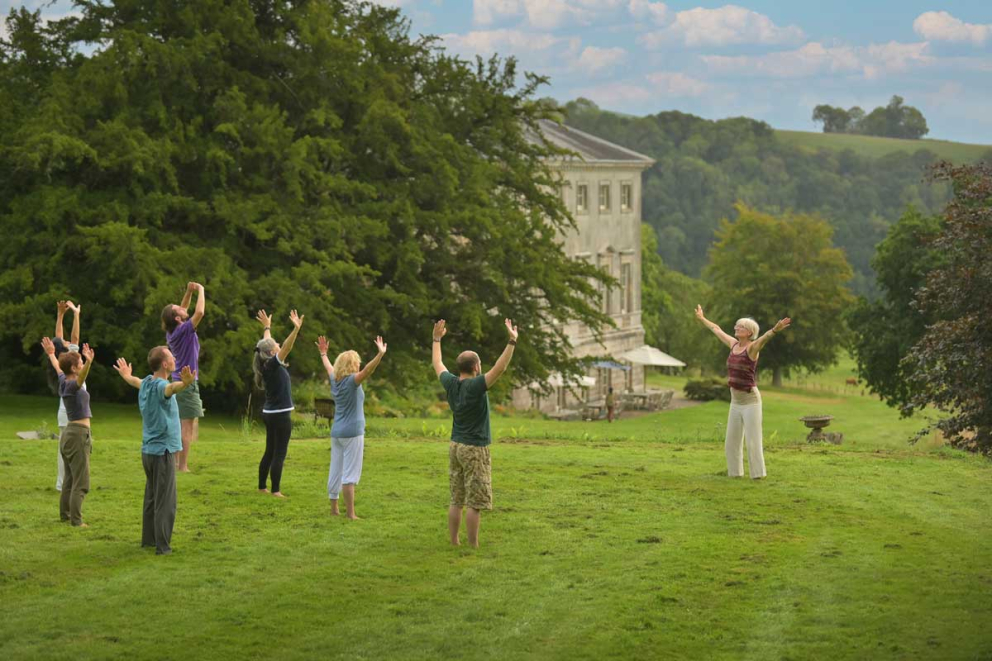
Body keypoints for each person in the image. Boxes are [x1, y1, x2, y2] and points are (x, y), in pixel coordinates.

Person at [432, 318, 518, 548]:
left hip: (456, 446)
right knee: (474, 502)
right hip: (475, 448)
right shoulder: (477, 385)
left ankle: (454, 541)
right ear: (477, 367)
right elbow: (500, 368)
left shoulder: (451, 383)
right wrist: (512, 340)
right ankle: (473, 545)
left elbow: (437, 362)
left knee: (456, 498)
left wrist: (436, 339)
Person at [113, 349, 195, 555]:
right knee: (165, 501)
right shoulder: (160, 386)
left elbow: (134, 381)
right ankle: (163, 546)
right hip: (163, 452)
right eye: (171, 357)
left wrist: (125, 376)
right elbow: (171, 389)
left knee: (151, 496)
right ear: (165, 365)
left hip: (148, 452)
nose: (175, 358)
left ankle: (148, 540)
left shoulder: (147, 382)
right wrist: (184, 384)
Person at [694, 305, 791, 479]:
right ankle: (735, 474)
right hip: (735, 402)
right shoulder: (733, 344)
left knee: (753, 441)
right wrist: (702, 318)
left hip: (751, 401)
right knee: (731, 442)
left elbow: (764, 339)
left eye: (741, 327)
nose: (736, 328)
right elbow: (716, 329)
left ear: (749, 332)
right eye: (737, 326)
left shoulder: (752, 349)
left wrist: (774, 330)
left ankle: (758, 475)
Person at [316, 334, 387, 520]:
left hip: (337, 433)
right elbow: (368, 371)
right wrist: (380, 355)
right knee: (349, 474)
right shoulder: (352, 381)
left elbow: (328, 366)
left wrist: (323, 354)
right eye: (357, 363)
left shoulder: (335, 379)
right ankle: (351, 514)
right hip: (352, 433)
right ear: (353, 365)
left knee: (335, 470)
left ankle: (334, 509)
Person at [41, 336, 95, 527]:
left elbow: (58, 367)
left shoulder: (63, 381)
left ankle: (65, 515)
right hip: (78, 434)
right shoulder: (72, 385)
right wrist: (89, 361)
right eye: (79, 362)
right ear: (73, 368)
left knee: (70, 479)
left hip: (68, 434)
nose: (81, 363)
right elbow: (81, 378)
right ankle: (77, 521)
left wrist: (51, 354)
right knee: (81, 481)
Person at [252, 309, 303, 498]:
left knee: (269, 451)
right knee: (279, 453)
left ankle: (262, 487)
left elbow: (266, 343)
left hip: (270, 413)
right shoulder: (273, 364)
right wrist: (295, 330)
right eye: (276, 346)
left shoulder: (265, 362)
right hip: (281, 415)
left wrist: (267, 327)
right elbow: (287, 347)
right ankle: (275, 491)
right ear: (273, 352)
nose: (279, 345)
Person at [161, 282, 205, 472]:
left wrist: (188, 291)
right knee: (186, 427)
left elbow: (184, 309)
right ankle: (182, 466)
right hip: (187, 384)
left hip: (178, 381)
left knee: (180, 426)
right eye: (178, 308)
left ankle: (177, 463)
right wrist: (201, 290)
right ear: (178, 318)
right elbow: (199, 312)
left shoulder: (173, 331)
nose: (182, 306)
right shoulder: (183, 329)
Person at [49, 300, 82, 491]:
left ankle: (62, 484)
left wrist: (60, 315)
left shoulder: (60, 366)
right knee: (75, 452)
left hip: (64, 414)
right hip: (75, 416)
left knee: (62, 451)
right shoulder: (74, 364)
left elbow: (58, 338)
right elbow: (74, 337)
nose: (67, 342)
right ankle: (72, 483)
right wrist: (76, 314)